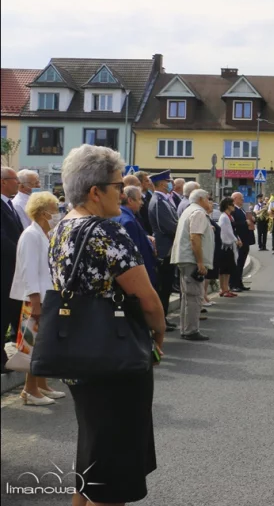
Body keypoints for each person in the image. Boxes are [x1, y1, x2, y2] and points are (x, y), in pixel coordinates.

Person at [50, 144, 165, 504]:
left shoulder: (61, 228)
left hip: (77, 350)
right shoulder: (107, 233)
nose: (126, 192)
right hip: (114, 356)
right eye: (118, 185)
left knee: (92, 457)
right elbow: (147, 299)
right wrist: (159, 336)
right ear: (95, 191)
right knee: (112, 474)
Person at [10, 191, 63, 405]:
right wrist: (35, 303)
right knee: (34, 346)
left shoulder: (44, 234)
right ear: (42, 213)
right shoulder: (31, 235)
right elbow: (28, 271)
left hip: (45, 297)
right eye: (54, 210)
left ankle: (41, 384)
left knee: (44, 344)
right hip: (36, 299)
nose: (57, 214)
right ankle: (29, 390)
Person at [171, 189, 215, 341]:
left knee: (188, 295)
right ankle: (191, 330)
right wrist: (200, 262)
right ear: (201, 199)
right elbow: (195, 238)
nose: (210, 202)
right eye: (208, 199)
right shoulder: (198, 212)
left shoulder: (189, 210)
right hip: (191, 260)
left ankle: (187, 328)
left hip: (185, 258)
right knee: (194, 295)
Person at [147, 170, 179, 331]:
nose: (170, 183)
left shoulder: (164, 200)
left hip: (168, 248)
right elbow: (167, 225)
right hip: (163, 248)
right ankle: (161, 321)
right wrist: (182, 232)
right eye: (168, 181)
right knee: (162, 287)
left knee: (166, 287)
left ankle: (164, 318)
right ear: (161, 184)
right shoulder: (158, 201)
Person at [1, 167, 25, 374]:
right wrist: (21, 252)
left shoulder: (8, 204)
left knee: (11, 312)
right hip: (5, 268)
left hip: (12, 270)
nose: (18, 183)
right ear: (3, 182)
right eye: (14, 179)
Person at [118, 186, 159, 292]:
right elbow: (134, 255)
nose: (142, 203)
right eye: (140, 199)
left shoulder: (123, 215)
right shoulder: (128, 221)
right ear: (130, 200)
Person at [217, 197, 240, 298]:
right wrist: (236, 240)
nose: (234, 206)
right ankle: (223, 288)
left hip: (230, 245)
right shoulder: (224, 217)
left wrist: (237, 238)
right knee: (224, 270)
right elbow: (227, 231)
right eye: (232, 204)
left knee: (228, 269)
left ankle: (226, 288)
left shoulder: (230, 217)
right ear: (227, 206)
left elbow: (233, 230)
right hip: (225, 246)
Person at [230, 191, 254, 291]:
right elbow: (233, 224)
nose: (243, 200)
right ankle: (233, 284)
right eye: (241, 198)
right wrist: (245, 222)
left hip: (245, 239)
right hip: (239, 240)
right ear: (235, 199)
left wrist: (251, 219)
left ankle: (239, 283)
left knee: (241, 263)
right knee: (237, 263)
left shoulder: (241, 209)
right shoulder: (233, 210)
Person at [135, 169, 154, 235]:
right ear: (140, 182)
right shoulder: (135, 199)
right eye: (146, 181)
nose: (149, 183)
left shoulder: (150, 196)